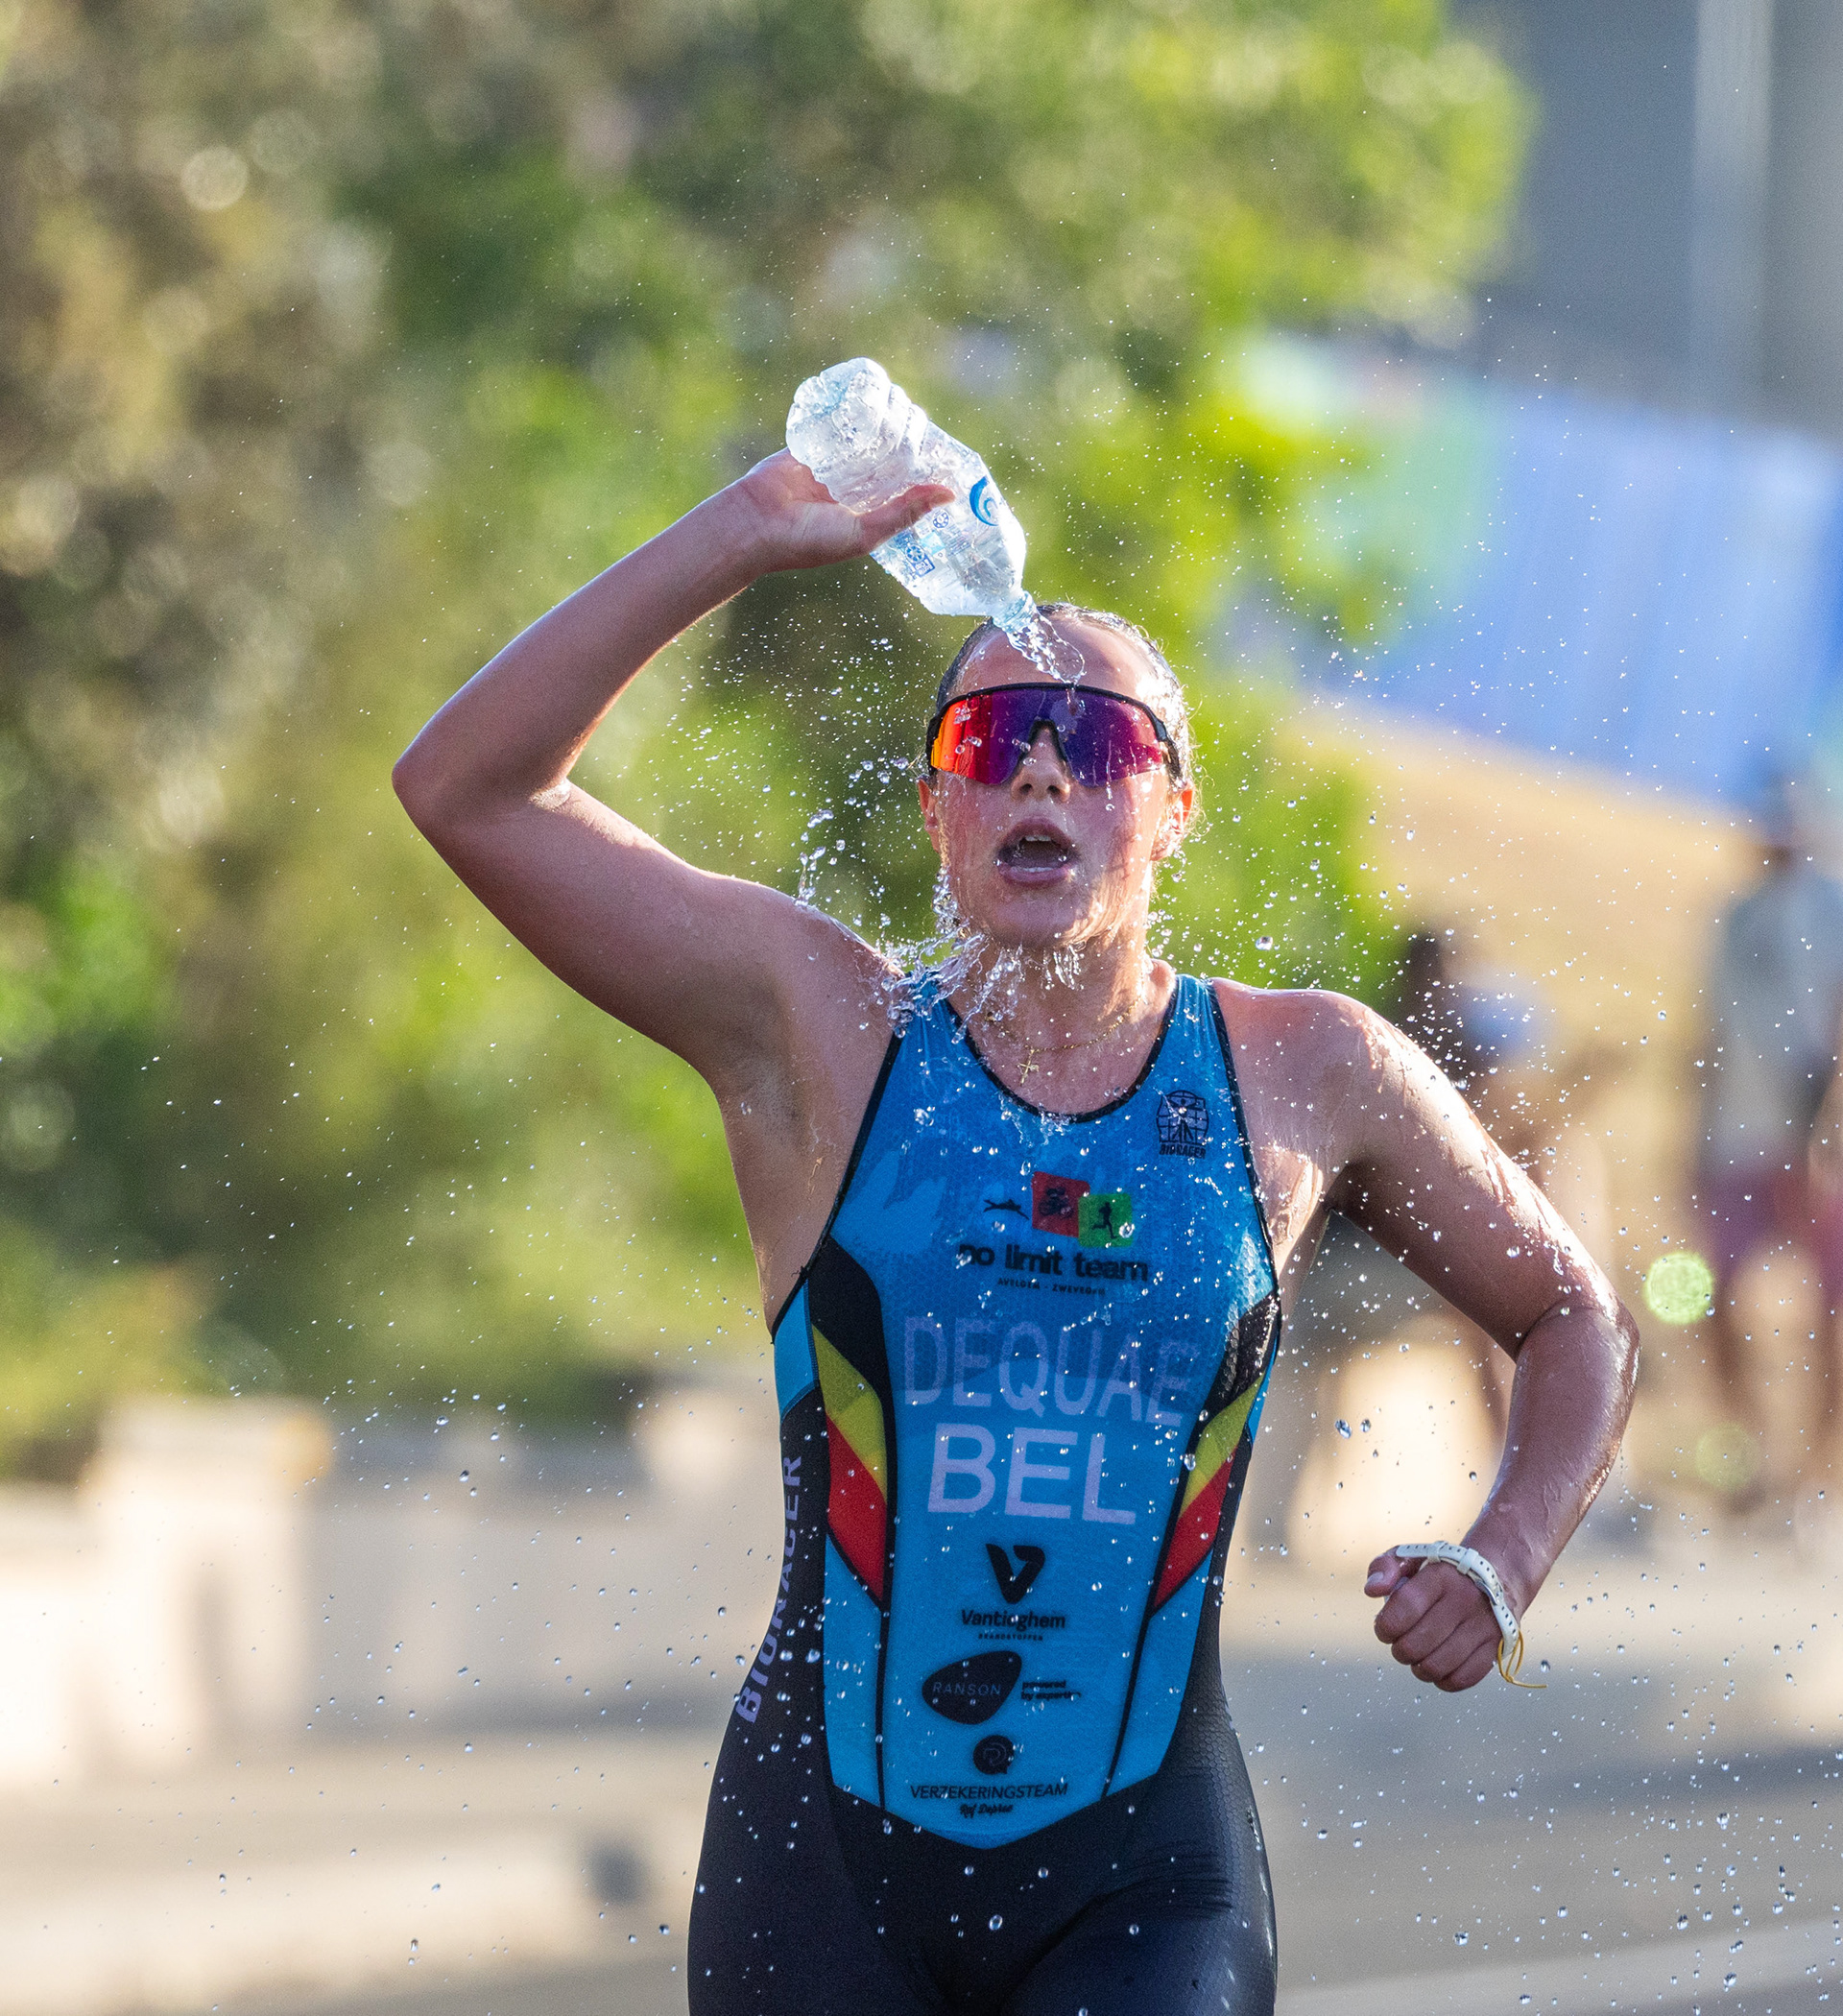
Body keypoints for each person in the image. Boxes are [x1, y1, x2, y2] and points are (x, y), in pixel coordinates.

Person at [392, 449, 1637, 2016]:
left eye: (1098, 742)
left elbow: (1575, 1314)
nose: (1042, 773)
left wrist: (1505, 1554)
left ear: (1172, 811)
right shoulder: (823, 1029)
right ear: (939, 811)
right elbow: (465, 790)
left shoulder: (1305, 1071)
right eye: (992, 743)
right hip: (822, 1861)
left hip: (1146, 1876)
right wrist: (745, 534)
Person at [1697, 793, 1843, 1494]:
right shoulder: (1735, 918)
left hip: (1818, 1147)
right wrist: (1694, 1138)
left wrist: (1816, 1139)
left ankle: (1814, 1475)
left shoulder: (1831, 911)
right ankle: (1750, 1457)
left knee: (1829, 1311)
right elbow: (1712, 1035)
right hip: (1737, 1139)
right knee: (1716, 1300)